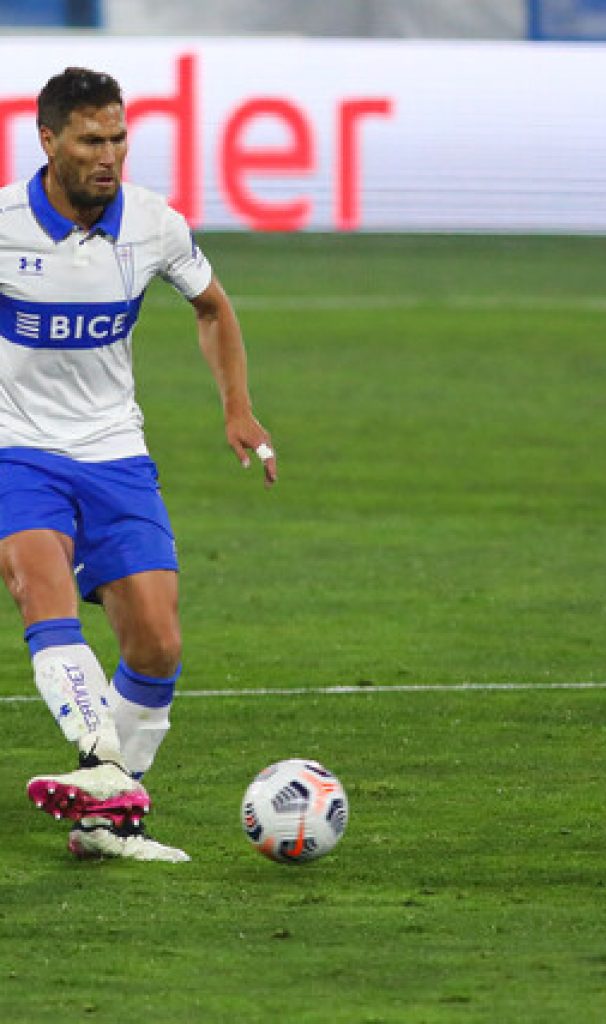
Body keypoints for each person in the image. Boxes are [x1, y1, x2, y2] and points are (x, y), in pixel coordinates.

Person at [0, 68, 277, 863]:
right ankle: (99, 762)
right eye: (91, 139)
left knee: (156, 645)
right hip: (17, 450)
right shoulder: (6, 224)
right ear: (48, 140)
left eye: (118, 138)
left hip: (116, 453)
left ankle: (106, 820)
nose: (108, 156)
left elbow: (213, 306)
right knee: (37, 582)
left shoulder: (152, 224)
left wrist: (237, 407)